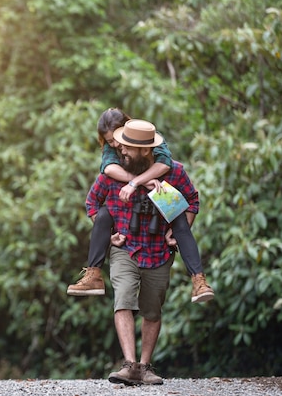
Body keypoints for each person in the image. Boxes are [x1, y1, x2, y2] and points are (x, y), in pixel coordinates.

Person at [85, 119, 200, 385]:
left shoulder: (173, 171)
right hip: (125, 248)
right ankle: (129, 364)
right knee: (123, 298)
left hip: (158, 249)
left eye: (127, 147)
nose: (120, 150)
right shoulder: (113, 171)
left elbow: (193, 199)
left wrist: (179, 229)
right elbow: (92, 202)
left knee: (152, 309)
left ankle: (145, 366)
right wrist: (107, 233)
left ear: (145, 150)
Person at [67, 108, 214, 303]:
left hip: (161, 209)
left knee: (180, 217)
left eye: (121, 141)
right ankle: (93, 274)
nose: (118, 146)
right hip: (126, 230)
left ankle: (198, 280)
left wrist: (139, 183)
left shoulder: (152, 141)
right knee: (103, 214)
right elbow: (107, 171)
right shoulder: (114, 152)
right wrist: (139, 181)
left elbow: (166, 166)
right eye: (112, 142)